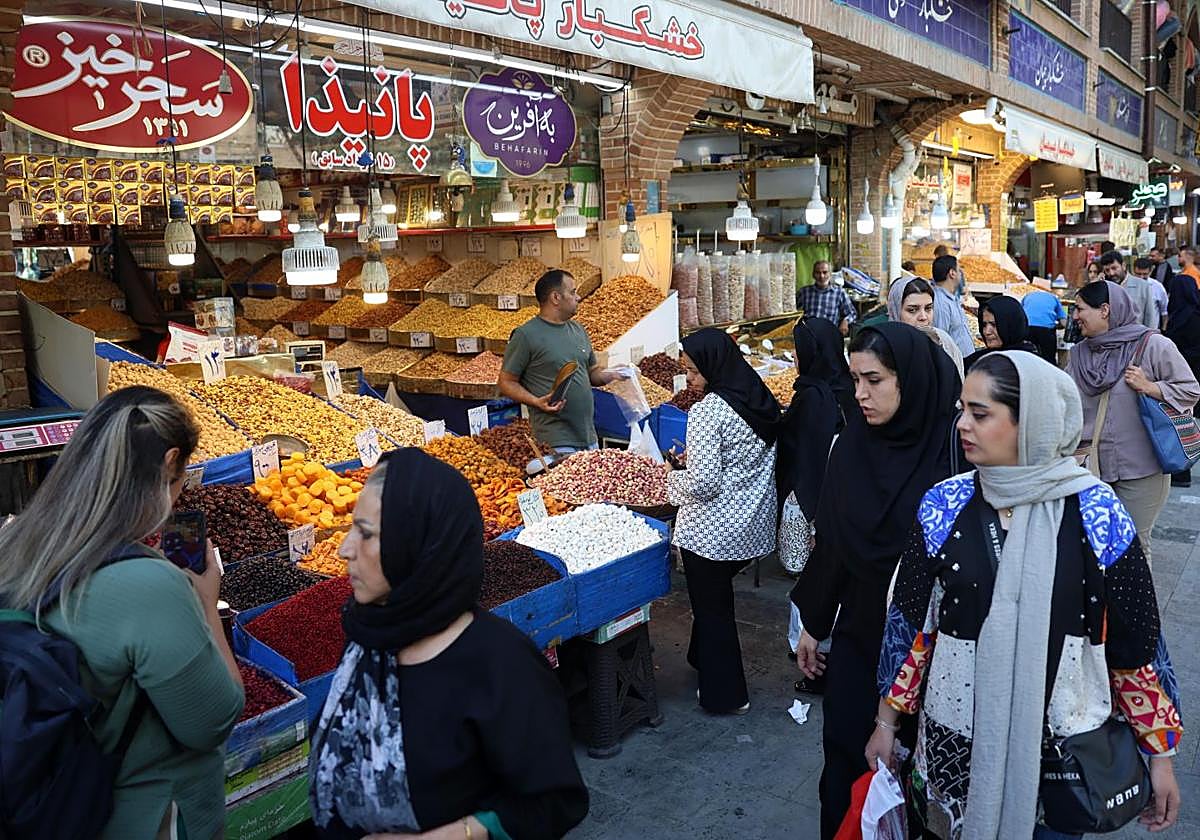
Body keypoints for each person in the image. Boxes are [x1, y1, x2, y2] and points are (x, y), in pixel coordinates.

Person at [867, 352, 1183, 839]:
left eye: (980, 413)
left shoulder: (1097, 512)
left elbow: (1135, 643)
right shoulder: (944, 504)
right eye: (961, 409)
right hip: (957, 745)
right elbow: (911, 630)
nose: (962, 426)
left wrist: (1158, 753)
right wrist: (886, 724)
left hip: (1062, 752)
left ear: (1031, 421)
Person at [0, 386, 244, 840]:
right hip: (137, 816)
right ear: (171, 463)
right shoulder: (150, 587)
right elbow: (213, 721)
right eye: (181, 481)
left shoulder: (16, 547)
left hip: (40, 799)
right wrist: (207, 605)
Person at [309, 448, 589, 839]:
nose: (345, 549)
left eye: (367, 534)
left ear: (419, 545)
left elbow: (555, 803)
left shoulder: (501, 663)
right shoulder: (368, 636)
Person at [792, 322, 960, 839]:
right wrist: (813, 622)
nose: (859, 394)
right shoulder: (852, 446)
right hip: (862, 632)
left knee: (921, 779)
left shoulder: (954, 453)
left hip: (933, 646)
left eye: (874, 380)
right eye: (855, 379)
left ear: (909, 380)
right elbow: (835, 543)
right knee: (844, 757)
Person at [667, 328, 780, 715]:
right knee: (712, 600)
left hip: (712, 533)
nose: (691, 381)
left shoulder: (707, 411)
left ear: (713, 366)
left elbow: (704, 482)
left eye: (695, 372)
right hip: (753, 524)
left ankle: (726, 694)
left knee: (713, 609)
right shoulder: (756, 395)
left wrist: (667, 483)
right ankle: (701, 657)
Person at [1066, 281, 1200, 567]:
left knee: (1134, 547)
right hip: (1090, 469)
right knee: (1093, 546)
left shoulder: (1153, 345)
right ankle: (1100, 610)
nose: (1075, 316)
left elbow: (1190, 389)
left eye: (1080, 309)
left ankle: (1136, 611)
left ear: (1105, 310)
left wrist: (1150, 387)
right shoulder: (1078, 355)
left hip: (1141, 468)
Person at [777, 318, 851, 679]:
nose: (794, 357)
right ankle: (827, 642)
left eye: (798, 351)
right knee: (832, 571)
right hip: (840, 501)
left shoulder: (809, 397)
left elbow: (795, 454)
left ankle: (803, 645)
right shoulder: (850, 390)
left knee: (807, 576)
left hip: (809, 498)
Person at [500, 270, 623, 454]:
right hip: (556, 440)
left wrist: (613, 374)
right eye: (573, 292)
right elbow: (506, 382)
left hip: (589, 436)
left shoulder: (578, 330)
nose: (578, 297)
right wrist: (535, 401)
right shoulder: (526, 335)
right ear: (556, 297)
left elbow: (592, 373)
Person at [886, 276, 964, 380]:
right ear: (895, 311)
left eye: (928, 308)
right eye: (912, 310)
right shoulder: (884, 348)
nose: (923, 317)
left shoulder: (944, 343)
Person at [1165, 271, 1200, 487]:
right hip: (1194, 377)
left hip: (1183, 379)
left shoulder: (1181, 318)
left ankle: (1181, 472)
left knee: (1180, 426)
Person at [963, 294, 1038, 373]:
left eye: (994, 325)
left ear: (1011, 326)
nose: (986, 332)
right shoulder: (975, 362)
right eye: (984, 325)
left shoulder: (1031, 365)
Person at [931, 254, 976, 358]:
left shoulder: (952, 298)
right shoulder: (941, 303)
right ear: (952, 273)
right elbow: (940, 341)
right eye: (959, 270)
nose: (961, 274)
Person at [1099, 250, 1158, 329]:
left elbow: (1150, 317)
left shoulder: (1143, 286)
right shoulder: (1105, 287)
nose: (1111, 273)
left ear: (1123, 266)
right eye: (1107, 270)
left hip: (1137, 337)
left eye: (1114, 268)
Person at [796, 261, 856, 336]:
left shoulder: (839, 293)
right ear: (813, 275)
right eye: (818, 273)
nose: (821, 276)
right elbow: (794, 312)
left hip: (829, 336)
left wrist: (845, 321)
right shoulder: (804, 292)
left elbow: (852, 313)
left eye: (825, 272)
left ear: (830, 274)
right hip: (808, 335)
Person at [1021, 288, 1067, 364]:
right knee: (1049, 359)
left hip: (1027, 328)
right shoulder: (1054, 298)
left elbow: (1020, 313)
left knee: (1026, 357)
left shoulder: (1027, 296)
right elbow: (1063, 322)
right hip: (1046, 331)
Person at [1134, 256, 1169, 329]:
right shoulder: (1127, 285)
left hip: (1152, 331)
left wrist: (1164, 330)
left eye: (1145, 274)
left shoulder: (1157, 287)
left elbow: (1164, 312)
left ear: (1150, 271)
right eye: (1138, 274)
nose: (1141, 277)